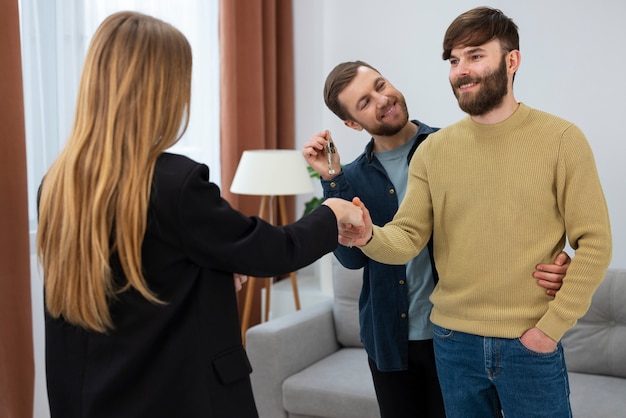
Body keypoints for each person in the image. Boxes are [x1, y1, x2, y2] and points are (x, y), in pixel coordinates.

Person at [36, 11, 364, 418]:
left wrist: (214, 268)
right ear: (162, 90)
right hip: (178, 395)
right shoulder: (175, 183)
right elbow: (272, 251)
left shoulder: (58, 183)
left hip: (93, 397)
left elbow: (143, 276)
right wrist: (331, 213)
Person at [344, 7, 613, 418]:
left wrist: (550, 329)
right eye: (454, 60)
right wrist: (368, 236)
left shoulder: (562, 139)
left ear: (511, 61)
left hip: (530, 343)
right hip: (453, 344)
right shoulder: (433, 150)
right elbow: (409, 236)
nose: (461, 70)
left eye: (475, 56)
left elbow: (595, 243)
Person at [303, 61, 571, 417]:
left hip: (458, 336)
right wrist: (332, 179)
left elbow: (502, 226)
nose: (382, 99)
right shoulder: (350, 177)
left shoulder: (455, 146)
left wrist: (557, 260)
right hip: (389, 341)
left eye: (381, 85)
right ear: (352, 124)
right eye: (364, 102)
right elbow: (353, 259)